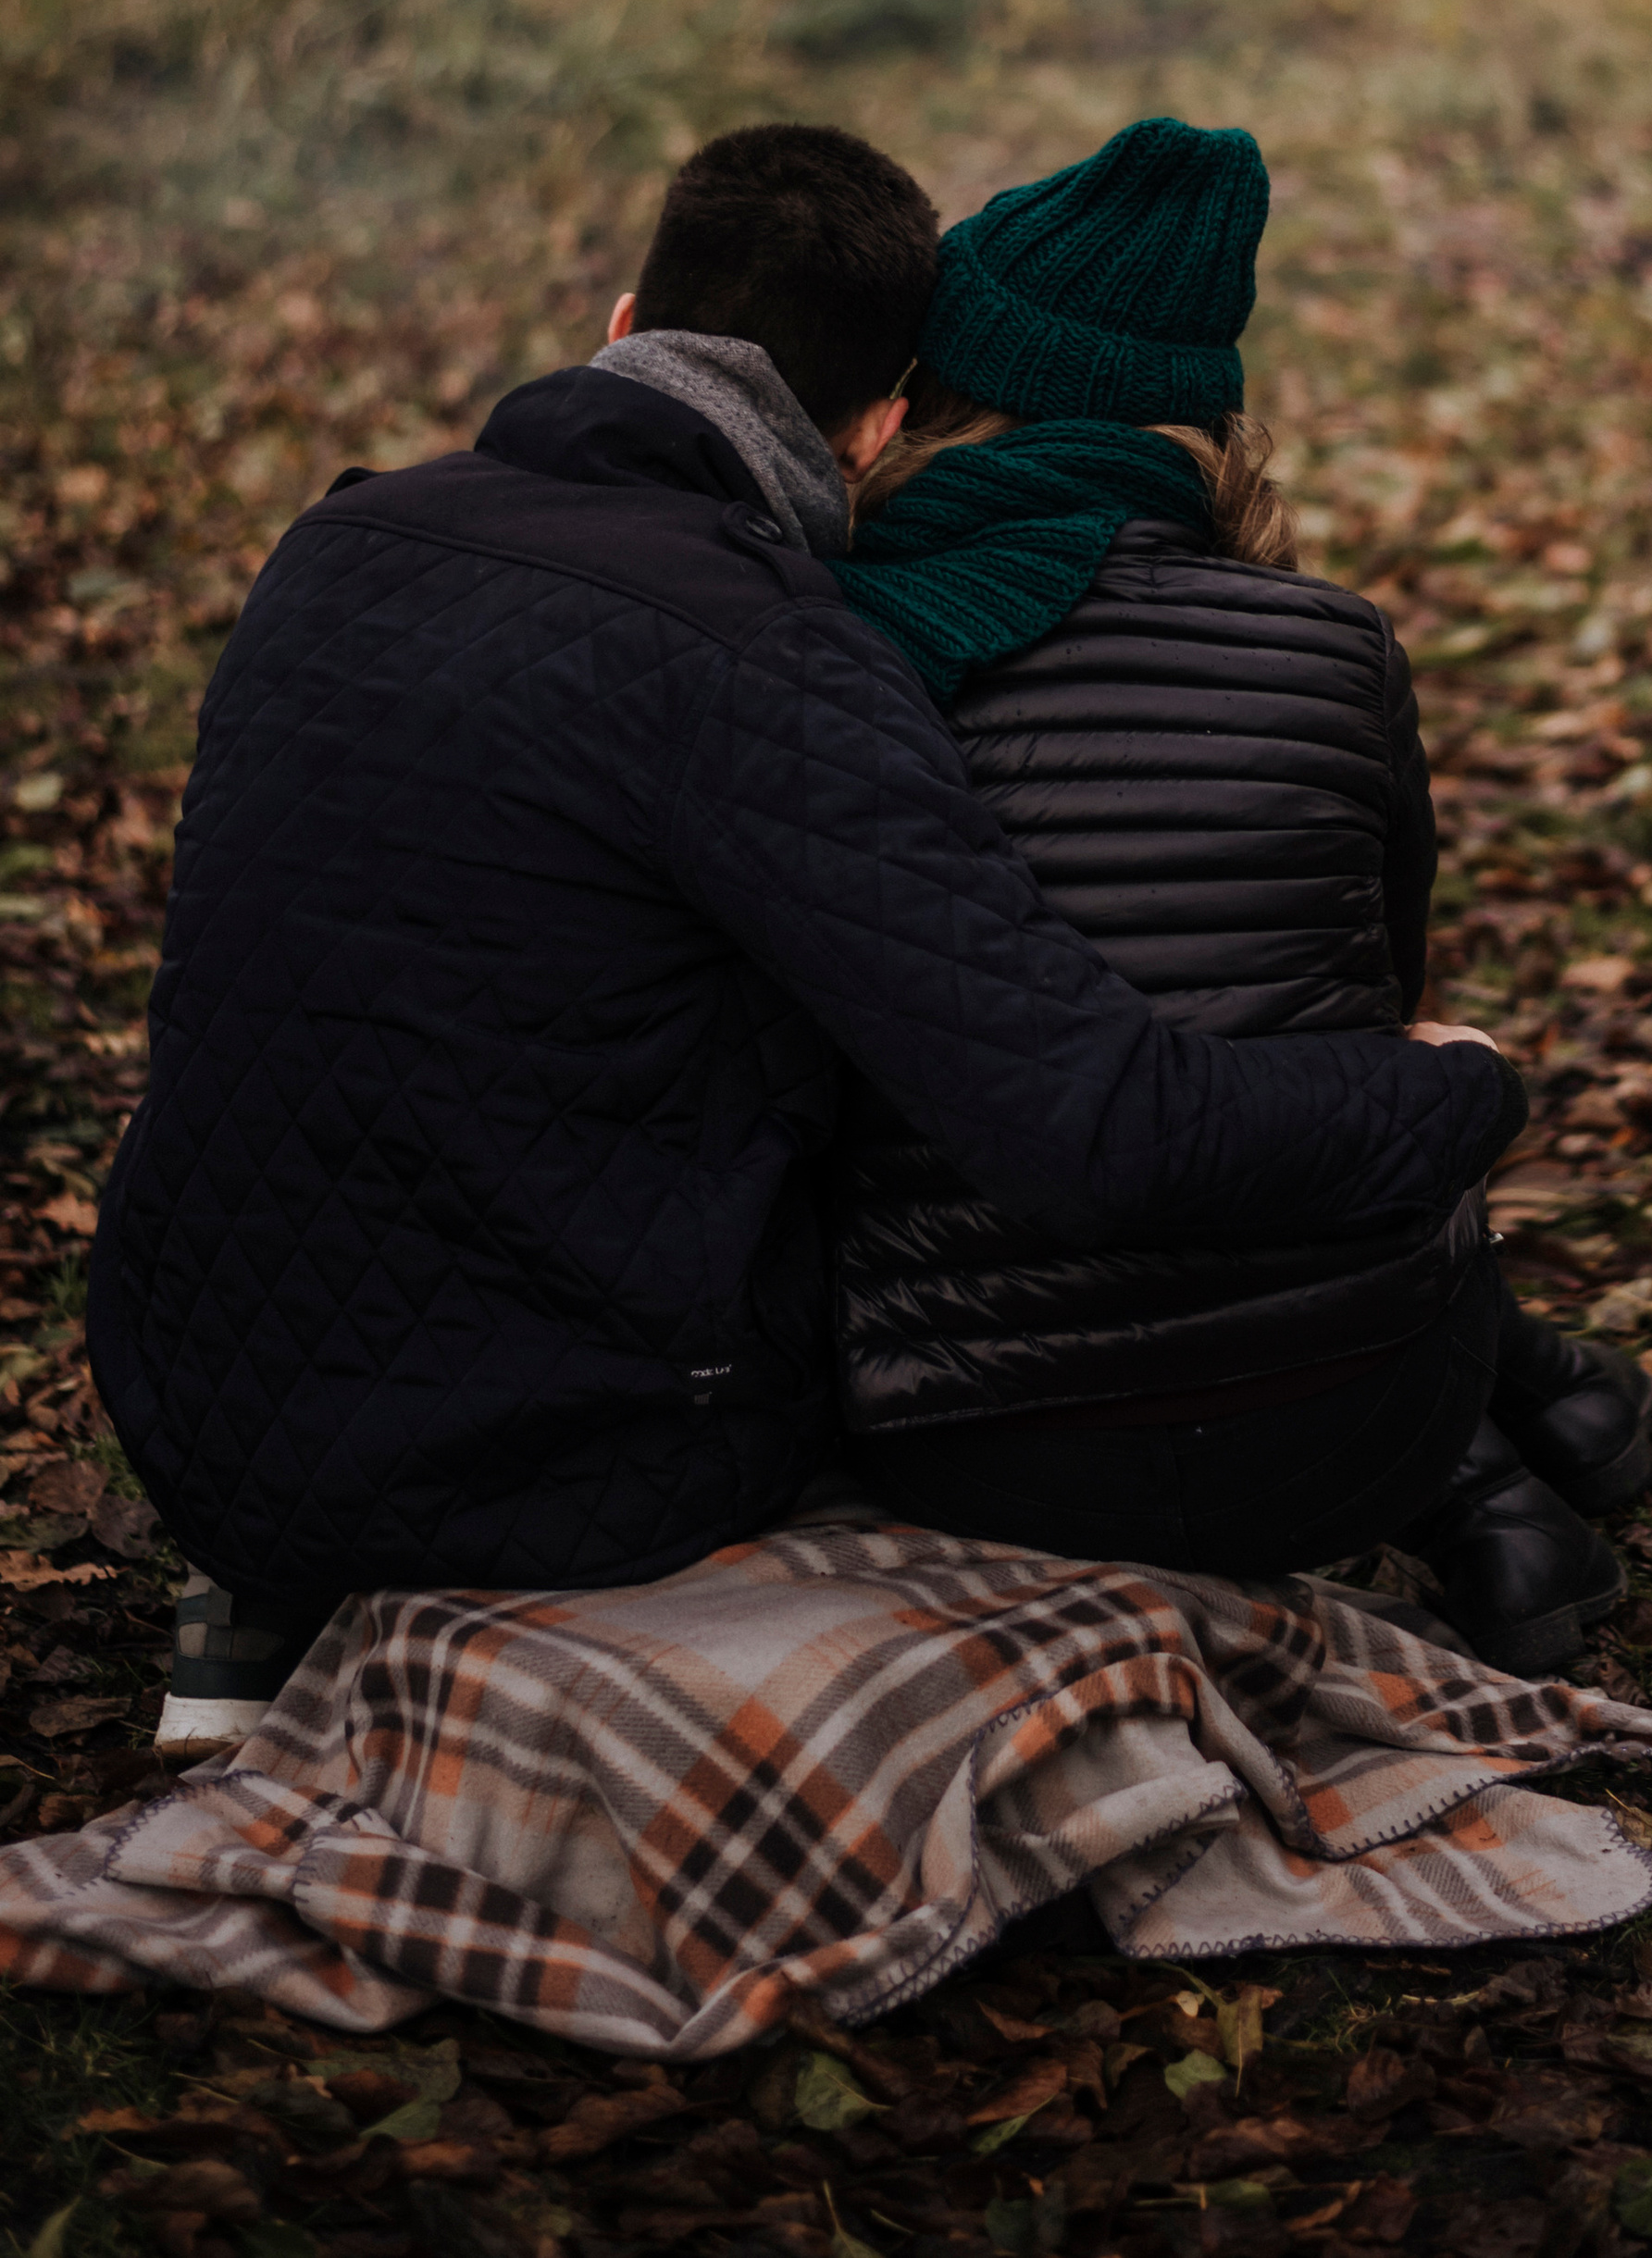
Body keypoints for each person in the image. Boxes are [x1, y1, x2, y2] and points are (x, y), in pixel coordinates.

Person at [89, 121, 1515, 1758]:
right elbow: (1099, 1125)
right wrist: (1456, 1091)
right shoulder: (771, 651)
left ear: (623, 323)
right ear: (878, 425)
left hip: (193, 1413)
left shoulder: (334, 541)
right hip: (554, 1471)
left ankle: (270, 1588)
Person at [830, 117, 1652, 1674]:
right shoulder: (1335, 646)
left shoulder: (834, 659)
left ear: (946, 391)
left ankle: (1528, 1453)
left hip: (969, 1441)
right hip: (1354, 1415)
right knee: (1399, 1064)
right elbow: (1374, 1001)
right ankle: (1508, 1470)